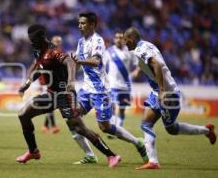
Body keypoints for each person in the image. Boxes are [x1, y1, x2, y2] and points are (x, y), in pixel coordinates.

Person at [16, 24, 120, 167]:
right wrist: (27, 84)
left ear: (41, 37)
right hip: (52, 94)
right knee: (23, 114)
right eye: (30, 39)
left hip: (65, 94)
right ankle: (33, 151)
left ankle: (112, 155)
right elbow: (39, 69)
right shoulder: (38, 51)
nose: (30, 41)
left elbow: (70, 62)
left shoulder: (53, 51)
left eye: (33, 39)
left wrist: (71, 81)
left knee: (79, 128)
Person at [123, 27, 217, 170]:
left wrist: (162, 91)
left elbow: (157, 64)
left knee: (166, 128)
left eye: (126, 40)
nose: (125, 43)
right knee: (153, 125)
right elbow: (150, 63)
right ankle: (206, 131)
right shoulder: (146, 45)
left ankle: (154, 162)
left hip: (167, 93)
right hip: (158, 91)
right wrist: (138, 71)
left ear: (133, 38)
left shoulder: (140, 49)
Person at [70, 12, 148, 164]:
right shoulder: (80, 42)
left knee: (105, 127)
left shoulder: (98, 40)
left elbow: (96, 61)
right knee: (72, 118)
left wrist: (80, 61)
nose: (79, 26)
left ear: (92, 25)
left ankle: (137, 142)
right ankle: (90, 155)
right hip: (86, 89)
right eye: (79, 23)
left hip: (100, 90)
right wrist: (71, 67)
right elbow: (79, 63)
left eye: (83, 23)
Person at [103, 29, 140, 129]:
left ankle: (119, 127)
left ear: (124, 39)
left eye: (121, 38)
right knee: (112, 106)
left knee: (122, 108)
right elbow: (101, 65)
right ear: (114, 39)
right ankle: (114, 127)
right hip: (112, 84)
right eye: (116, 38)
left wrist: (136, 71)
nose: (118, 39)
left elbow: (139, 63)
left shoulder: (129, 51)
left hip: (125, 85)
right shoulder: (108, 52)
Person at [40, 36, 63, 134]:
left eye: (59, 41)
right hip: (46, 82)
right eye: (55, 41)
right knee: (50, 104)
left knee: (51, 104)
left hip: (55, 82)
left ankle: (45, 126)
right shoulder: (46, 52)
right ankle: (52, 126)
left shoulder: (60, 52)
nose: (57, 43)